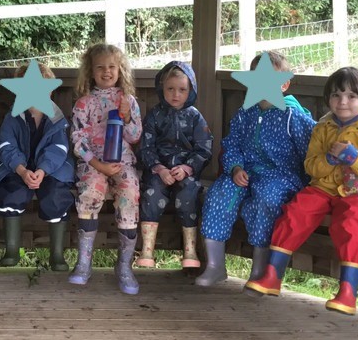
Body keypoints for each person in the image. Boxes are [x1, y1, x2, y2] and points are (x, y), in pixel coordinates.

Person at [246, 66, 358, 315]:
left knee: (350, 222)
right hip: (324, 186)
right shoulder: (322, 128)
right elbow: (311, 166)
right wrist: (329, 161)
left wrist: (355, 159)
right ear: (328, 100)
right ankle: (272, 276)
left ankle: (348, 292)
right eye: (336, 95)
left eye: (351, 96)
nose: (342, 102)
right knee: (296, 211)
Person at [196, 51, 314, 286]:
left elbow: (311, 150)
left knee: (266, 199)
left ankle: (260, 269)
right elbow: (231, 145)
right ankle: (215, 265)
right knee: (219, 193)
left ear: (284, 84)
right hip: (245, 172)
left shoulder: (292, 116)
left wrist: (310, 180)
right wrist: (235, 167)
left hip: (281, 176)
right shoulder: (245, 114)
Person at [68, 43, 143, 295]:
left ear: (120, 70)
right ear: (91, 71)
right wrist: (97, 164)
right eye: (100, 67)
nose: (107, 72)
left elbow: (134, 137)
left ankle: (124, 266)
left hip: (122, 162)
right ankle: (84, 263)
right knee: (90, 190)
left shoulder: (128, 101)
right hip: (93, 162)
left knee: (130, 193)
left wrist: (127, 116)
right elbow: (77, 140)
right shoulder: (84, 103)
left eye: (112, 67)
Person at [0, 62, 75, 271]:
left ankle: (56, 254)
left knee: (56, 195)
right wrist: (21, 169)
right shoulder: (13, 117)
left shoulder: (57, 118)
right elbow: (6, 145)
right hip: (17, 168)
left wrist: (42, 170)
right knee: (11, 193)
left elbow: (58, 148)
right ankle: (12, 250)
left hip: (51, 169)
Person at [138, 61, 213, 269]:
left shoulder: (195, 117)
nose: (175, 94)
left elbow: (204, 148)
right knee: (151, 194)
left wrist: (187, 168)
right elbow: (146, 147)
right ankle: (147, 250)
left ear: (190, 90)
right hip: (158, 171)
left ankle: (190, 251)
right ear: (162, 88)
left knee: (189, 194)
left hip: (185, 172)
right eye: (170, 89)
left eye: (182, 89)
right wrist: (159, 168)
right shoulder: (155, 115)